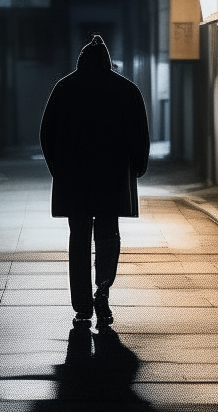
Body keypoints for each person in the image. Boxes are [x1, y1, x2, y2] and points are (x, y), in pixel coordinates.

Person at [40, 35, 150, 326]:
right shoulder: (126, 90)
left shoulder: (64, 88)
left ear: (81, 61)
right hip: (112, 178)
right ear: (108, 61)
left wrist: (57, 169)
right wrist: (138, 166)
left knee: (78, 238)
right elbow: (140, 134)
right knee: (107, 234)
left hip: (74, 179)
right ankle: (103, 290)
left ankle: (82, 306)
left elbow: (47, 133)